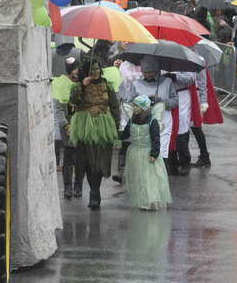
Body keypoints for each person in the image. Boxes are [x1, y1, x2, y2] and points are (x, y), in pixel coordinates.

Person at [69, 59, 119, 209]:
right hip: (85, 127)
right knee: (89, 162)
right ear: (86, 72)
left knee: (100, 161)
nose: (96, 72)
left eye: (98, 69)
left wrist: (117, 128)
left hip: (105, 127)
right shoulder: (78, 86)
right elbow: (72, 102)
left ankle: (94, 193)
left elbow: (115, 107)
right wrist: (82, 87)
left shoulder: (108, 86)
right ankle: (94, 193)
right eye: (92, 70)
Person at [120, 95, 171, 211]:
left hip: (147, 152)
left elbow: (156, 139)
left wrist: (154, 153)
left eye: (136, 106)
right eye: (133, 105)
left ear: (143, 108)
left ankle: (151, 200)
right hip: (135, 152)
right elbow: (126, 134)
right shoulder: (132, 120)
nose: (133, 108)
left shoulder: (151, 122)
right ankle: (142, 199)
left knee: (149, 177)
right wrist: (115, 135)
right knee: (138, 177)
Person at [53, 57, 82, 200]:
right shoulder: (62, 84)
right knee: (68, 157)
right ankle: (68, 187)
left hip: (81, 124)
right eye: (76, 68)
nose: (78, 71)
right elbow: (58, 109)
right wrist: (66, 125)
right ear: (71, 70)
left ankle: (78, 186)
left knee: (80, 157)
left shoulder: (82, 84)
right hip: (68, 125)